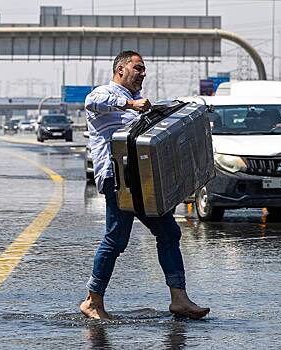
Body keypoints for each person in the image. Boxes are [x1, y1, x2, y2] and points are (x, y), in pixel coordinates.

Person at [80, 50, 210, 320]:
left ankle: (179, 299)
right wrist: (130, 106)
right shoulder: (105, 94)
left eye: (143, 69)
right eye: (138, 68)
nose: (143, 73)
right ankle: (92, 300)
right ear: (120, 70)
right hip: (119, 179)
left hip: (143, 179)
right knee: (116, 239)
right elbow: (93, 101)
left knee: (169, 233)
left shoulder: (139, 101)